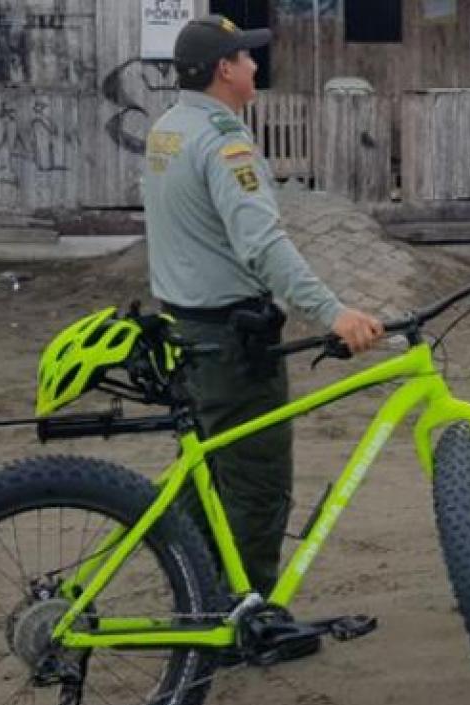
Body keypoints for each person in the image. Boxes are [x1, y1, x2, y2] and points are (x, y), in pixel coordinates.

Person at [141, 14, 384, 658]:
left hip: (181, 324)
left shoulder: (167, 129)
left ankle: (194, 595)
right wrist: (332, 311)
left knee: (206, 474)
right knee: (254, 480)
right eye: (246, 57)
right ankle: (246, 623)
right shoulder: (226, 142)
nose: (255, 66)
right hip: (228, 339)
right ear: (224, 70)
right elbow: (263, 244)